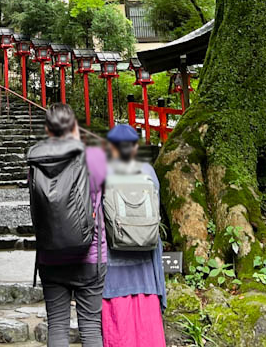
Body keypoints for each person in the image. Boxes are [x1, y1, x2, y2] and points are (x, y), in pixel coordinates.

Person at [29, 103, 106, 347]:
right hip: (90, 256)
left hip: (50, 255)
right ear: (74, 126)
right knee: (91, 327)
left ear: (47, 128)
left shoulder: (35, 160)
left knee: (57, 327)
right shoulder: (93, 157)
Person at [100, 125, 166, 347]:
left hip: (114, 266)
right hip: (145, 264)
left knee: (120, 329)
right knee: (147, 327)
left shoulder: (104, 172)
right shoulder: (148, 172)